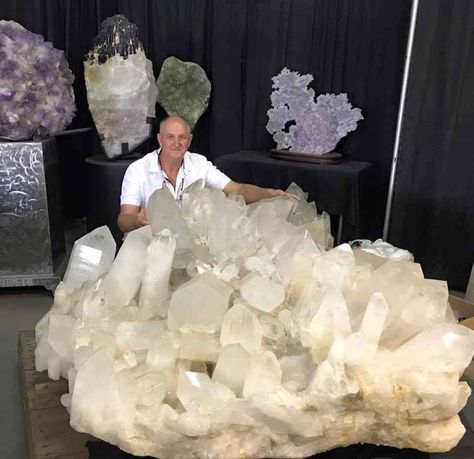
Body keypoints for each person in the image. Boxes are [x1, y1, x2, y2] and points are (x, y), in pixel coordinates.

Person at [118, 115, 286, 233]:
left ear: (189, 140)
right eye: (170, 137)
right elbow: (124, 220)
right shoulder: (137, 170)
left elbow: (236, 189)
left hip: (188, 247)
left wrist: (269, 194)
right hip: (149, 246)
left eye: (182, 137)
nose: (176, 143)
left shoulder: (199, 164)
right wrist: (137, 221)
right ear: (159, 139)